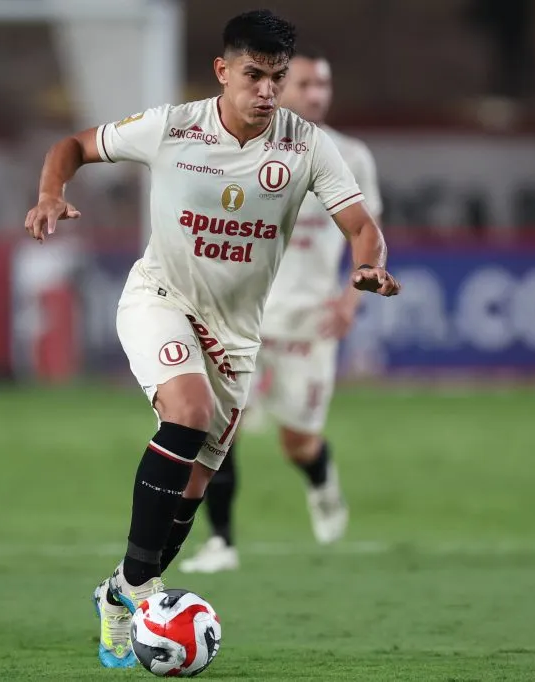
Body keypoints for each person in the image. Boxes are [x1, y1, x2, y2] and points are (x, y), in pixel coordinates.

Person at [24, 9, 400, 669]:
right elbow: (74, 146)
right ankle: (144, 591)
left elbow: (360, 225)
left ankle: (118, 592)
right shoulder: (173, 127)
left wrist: (367, 264)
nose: (266, 91)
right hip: (160, 299)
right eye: (253, 75)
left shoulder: (306, 146)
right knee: (188, 414)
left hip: (236, 334)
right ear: (223, 71)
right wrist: (52, 193)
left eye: (276, 78)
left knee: (192, 491)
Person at [179, 48, 383, 574]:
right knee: (218, 434)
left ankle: (321, 480)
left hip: (307, 321)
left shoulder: (351, 156)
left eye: (324, 85)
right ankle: (222, 542)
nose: (316, 95)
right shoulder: (236, 148)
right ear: (280, 89)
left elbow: (368, 236)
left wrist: (349, 302)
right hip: (238, 316)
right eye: (306, 85)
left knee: (298, 442)